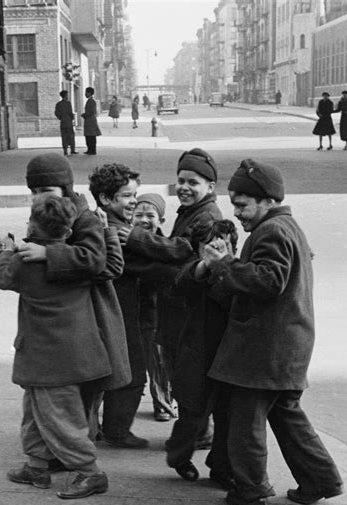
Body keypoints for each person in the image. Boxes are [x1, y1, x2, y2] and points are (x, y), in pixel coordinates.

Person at [201, 158, 344, 505]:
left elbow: (269, 281)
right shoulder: (287, 226)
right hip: (286, 347)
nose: (237, 213)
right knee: (287, 417)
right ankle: (321, 480)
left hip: (263, 350)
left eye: (242, 205)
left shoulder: (272, 231)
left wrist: (224, 263)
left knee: (245, 423)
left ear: (266, 201)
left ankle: (250, 494)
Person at [0, 153, 131, 494]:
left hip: (80, 325)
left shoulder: (83, 217)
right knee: (41, 406)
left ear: (66, 188)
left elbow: (99, 261)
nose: (41, 196)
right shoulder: (52, 213)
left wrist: (44, 254)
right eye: (35, 190)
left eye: (48, 188)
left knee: (63, 410)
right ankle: (39, 465)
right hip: (56, 335)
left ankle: (86, 468)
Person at [165, 220, 238, 484]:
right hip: (197, 357)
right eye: (208, 245)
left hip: (228, 358)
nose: (215, 249)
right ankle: (179, 457)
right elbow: (180, 284)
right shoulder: (197, 272)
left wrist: (225, 264)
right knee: (192, 416)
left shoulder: (236, 271)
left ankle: (221, 467)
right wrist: (207, 265)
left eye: (223, 243)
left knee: (227, 417)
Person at [89, 163, 147, 447]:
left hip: (119, 309)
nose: (133, 201)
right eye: (126, 195)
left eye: (134, 195)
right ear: (105, 199)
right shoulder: (113, 230)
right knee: (132, 373)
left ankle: (106, 427)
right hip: (121, 310)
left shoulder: (109, 224)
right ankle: (117, 430)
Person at [132, 193, 174, 422]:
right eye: (138, 215)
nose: (144, 220)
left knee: (157, 363)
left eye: (150, 215)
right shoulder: (128, 242)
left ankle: (163, 404)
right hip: (132, 312)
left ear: (161, 220)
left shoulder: (164, 246)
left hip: (155, 315)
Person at [54, 90, 78, 156]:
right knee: (71, 136)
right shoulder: (68, 103)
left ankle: (65, 150)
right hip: (68, 122)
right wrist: (72, 118)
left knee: (64, 137)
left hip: (63, 123)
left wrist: (61, 117)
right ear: (65, 95)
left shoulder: (58, 104)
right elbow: (70, 112)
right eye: (67, 95)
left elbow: (56, 113)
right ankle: (72, 150)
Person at [81, 87, 101, 155]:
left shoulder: (91, 101)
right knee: (89, 136)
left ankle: (92, 150)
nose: (85, 94)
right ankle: (90, 149)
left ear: (89, 93)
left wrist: (84, 115)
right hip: (89, 120)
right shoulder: (90, 101)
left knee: (91, 136)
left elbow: (91, 111)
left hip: (90, 120)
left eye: (86, 92)